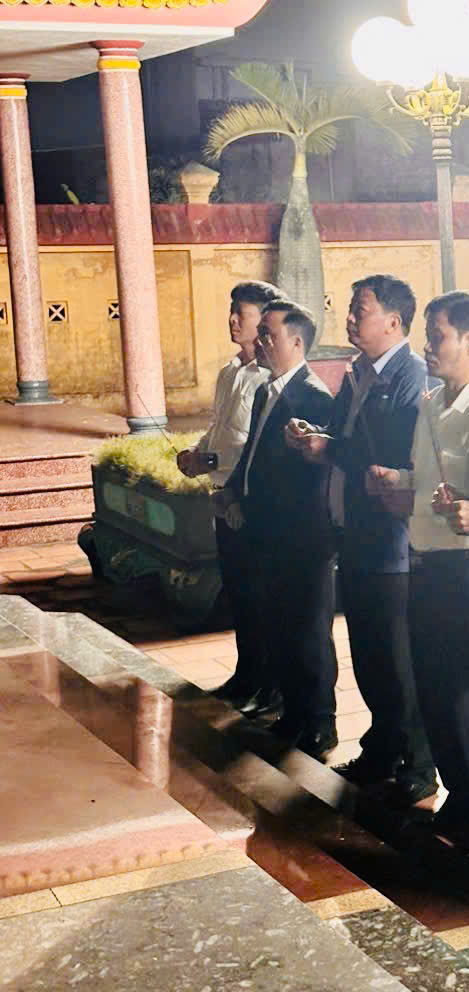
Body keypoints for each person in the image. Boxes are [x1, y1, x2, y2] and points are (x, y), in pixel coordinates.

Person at [368, 291, 469, 860]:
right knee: (434, 687)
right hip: (425, 559)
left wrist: (463, 504)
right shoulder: (432, 405)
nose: (428, 346)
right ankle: (464, 797)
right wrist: (399, 483)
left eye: (437, 336)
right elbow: (425, 476)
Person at [286, 275, 435, 806]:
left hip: (391, 541)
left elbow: (396, 453)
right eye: (350, 309)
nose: (349, 318)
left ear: (393, 321)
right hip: (354, 530)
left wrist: (330, 451)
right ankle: (382, 748)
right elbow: (346, 438)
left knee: (398, 658)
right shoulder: (358, 374)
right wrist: (318, 439)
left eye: (360, 310)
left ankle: (418, 764)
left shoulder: (412, 376)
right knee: (369, 654)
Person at [219, 300, 338, 760]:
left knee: (309, 633)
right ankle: (292, 711)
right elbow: (251, 454)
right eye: (261, 333)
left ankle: (319, 723)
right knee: (279, 626)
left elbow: (315, 475)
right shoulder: (266, 391)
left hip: (301, 536)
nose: (261, 341)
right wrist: (233, 490)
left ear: (297, 342)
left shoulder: (312, 396)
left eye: (269, 334)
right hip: (265, 532)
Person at [178, 280, 283, 713]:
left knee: (261, 597)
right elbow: (220, 427)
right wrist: (197, 453)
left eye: (244, 313)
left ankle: (270, 686)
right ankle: (246, 676)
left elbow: (254, 449)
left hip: (249, 501)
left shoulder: (269, 378)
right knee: (238, 592)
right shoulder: (230, 371)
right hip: (222, 495)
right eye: (232, 311)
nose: (233, 320)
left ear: (266, 320)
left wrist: (215, 462)